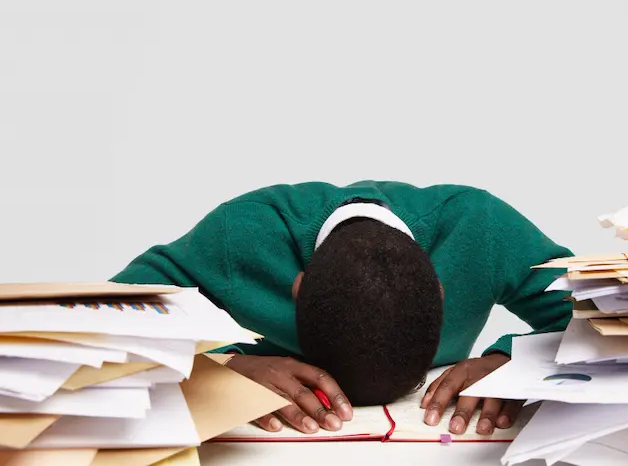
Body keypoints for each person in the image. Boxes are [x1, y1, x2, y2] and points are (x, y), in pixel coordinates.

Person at [111, 181, 572, 436]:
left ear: (441, 290)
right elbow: (111, 315)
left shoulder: (481, 228)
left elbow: (611, 317)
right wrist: (227, 363)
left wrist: (511, 360)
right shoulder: (240, 236)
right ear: (297, 290)